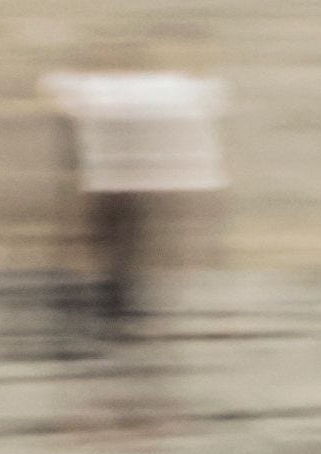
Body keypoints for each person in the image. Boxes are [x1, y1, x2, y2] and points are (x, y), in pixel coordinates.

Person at [40, 54, 221, 356]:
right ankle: (114, 318)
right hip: (116, 199)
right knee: (118, 260)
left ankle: (111, 318)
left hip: (114, 198)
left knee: (116, 260)